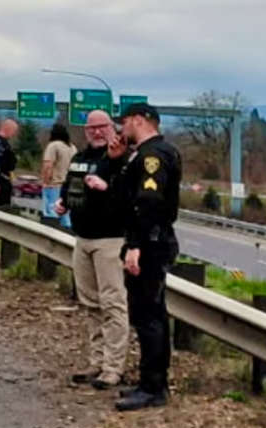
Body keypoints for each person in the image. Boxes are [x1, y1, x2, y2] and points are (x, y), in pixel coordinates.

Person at [98, 102, 182, 411]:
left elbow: (146, 202)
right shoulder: (149, 154)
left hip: (150, 242)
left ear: (139, 120)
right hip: (152, 240)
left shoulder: (152, 157)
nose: (122, 129)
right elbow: (122, 195)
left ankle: (153, 387)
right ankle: (151, 381)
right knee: (150, 314)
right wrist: (117, 161)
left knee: (148, 316)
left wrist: (136, 245)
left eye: (125, 122)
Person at [53, 110, 129, 391]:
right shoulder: (80, 159)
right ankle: (97, 362)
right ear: (85, 131)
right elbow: (68, 188)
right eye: (91, 128)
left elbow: (129, 196)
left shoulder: (123, 160)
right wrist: (63, 204)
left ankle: (113, 368)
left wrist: (107, 187)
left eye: (102, 127)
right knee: (91, 305)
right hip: (82, 238)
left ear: (112, 128)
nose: (97, 132)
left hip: (111, 240)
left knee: (113, 304)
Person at [41, 123, 76, 229]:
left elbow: (48, 166)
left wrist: (46, 183)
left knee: (52, 215)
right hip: (70, 186)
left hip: (54, 185)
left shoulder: (53, 146)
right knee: (66, 217)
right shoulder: (72, 147)